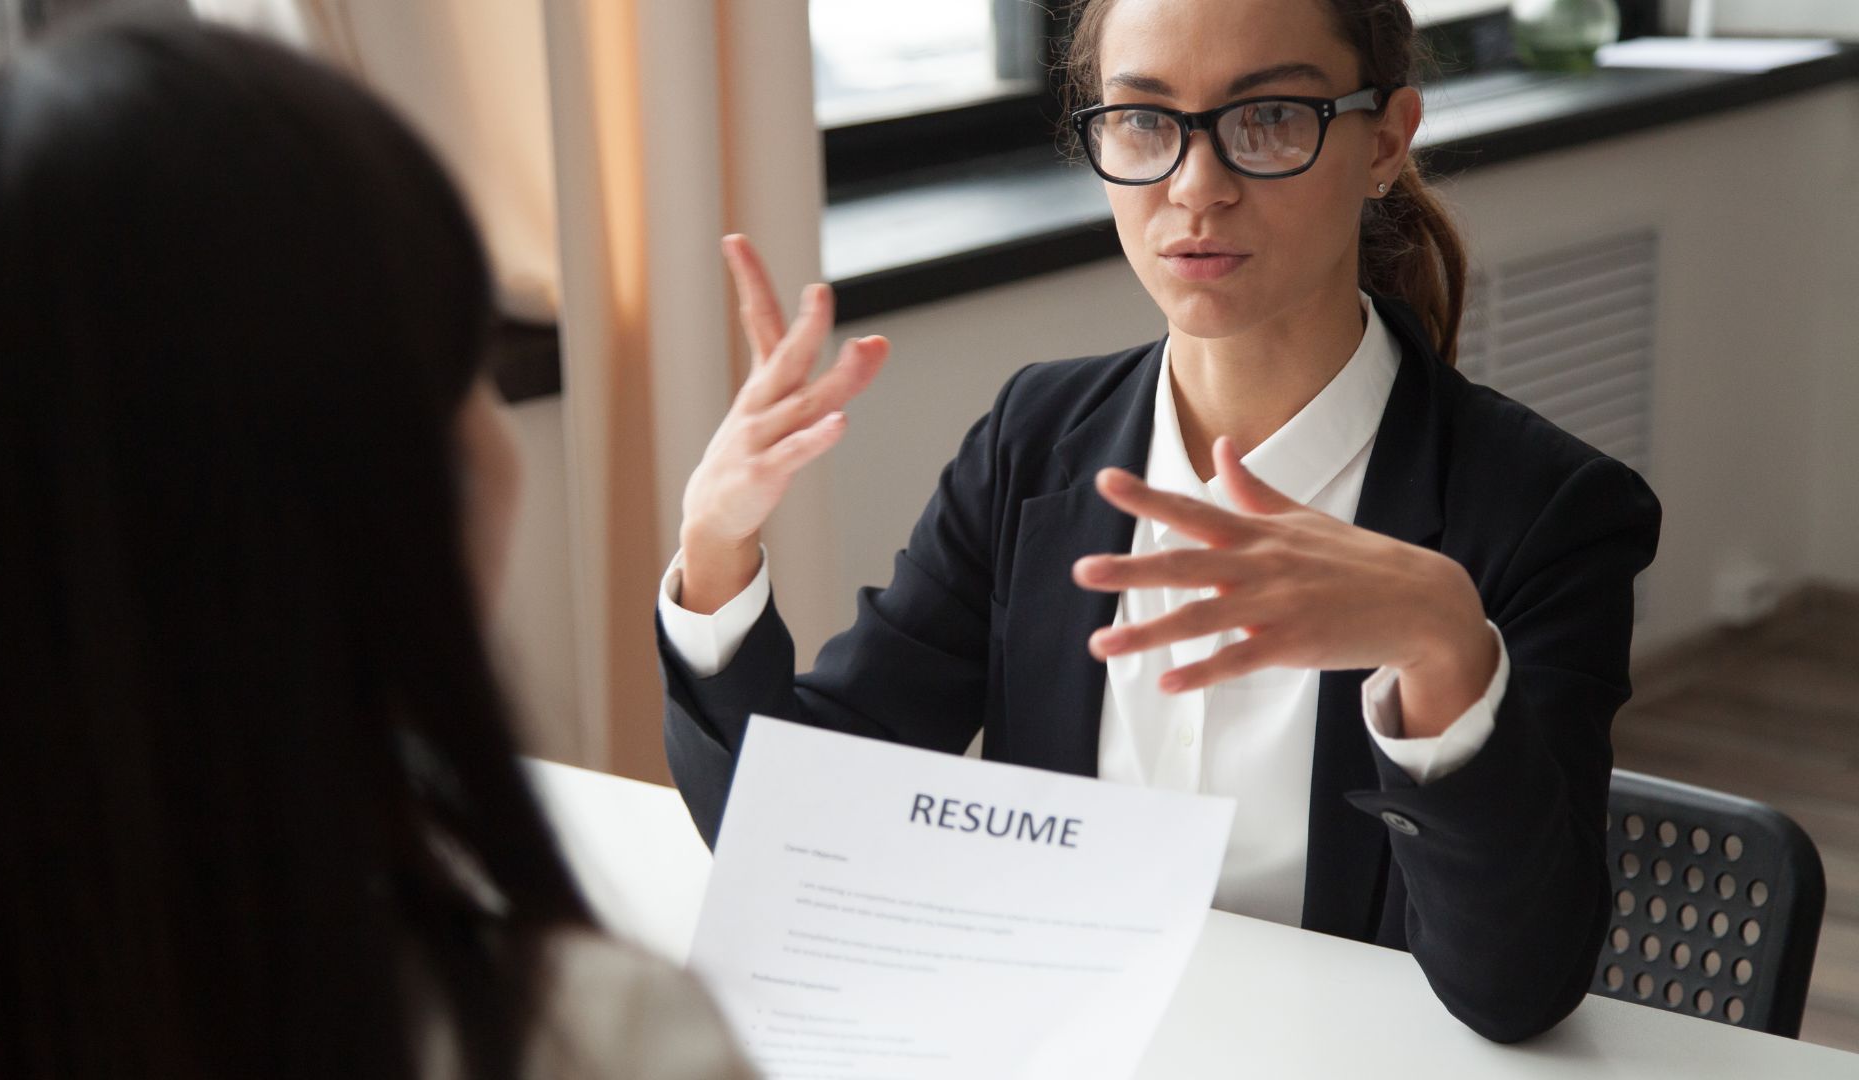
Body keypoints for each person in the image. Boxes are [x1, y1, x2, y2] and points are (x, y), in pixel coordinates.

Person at [657, 0, 1661, 1045]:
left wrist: (1446, 652)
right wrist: (715, 549)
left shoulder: (1546, 512)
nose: (1195, 186)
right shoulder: (1032, 444)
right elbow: (793, 826)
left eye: (1268, 117)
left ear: (1385, 140)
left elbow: (1516, 991)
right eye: (1143, 122)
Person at [0, 17, 753, 1079]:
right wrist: (716, 561)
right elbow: (808, 760)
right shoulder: (585, 1038)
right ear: (368, 493)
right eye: (464, 369)